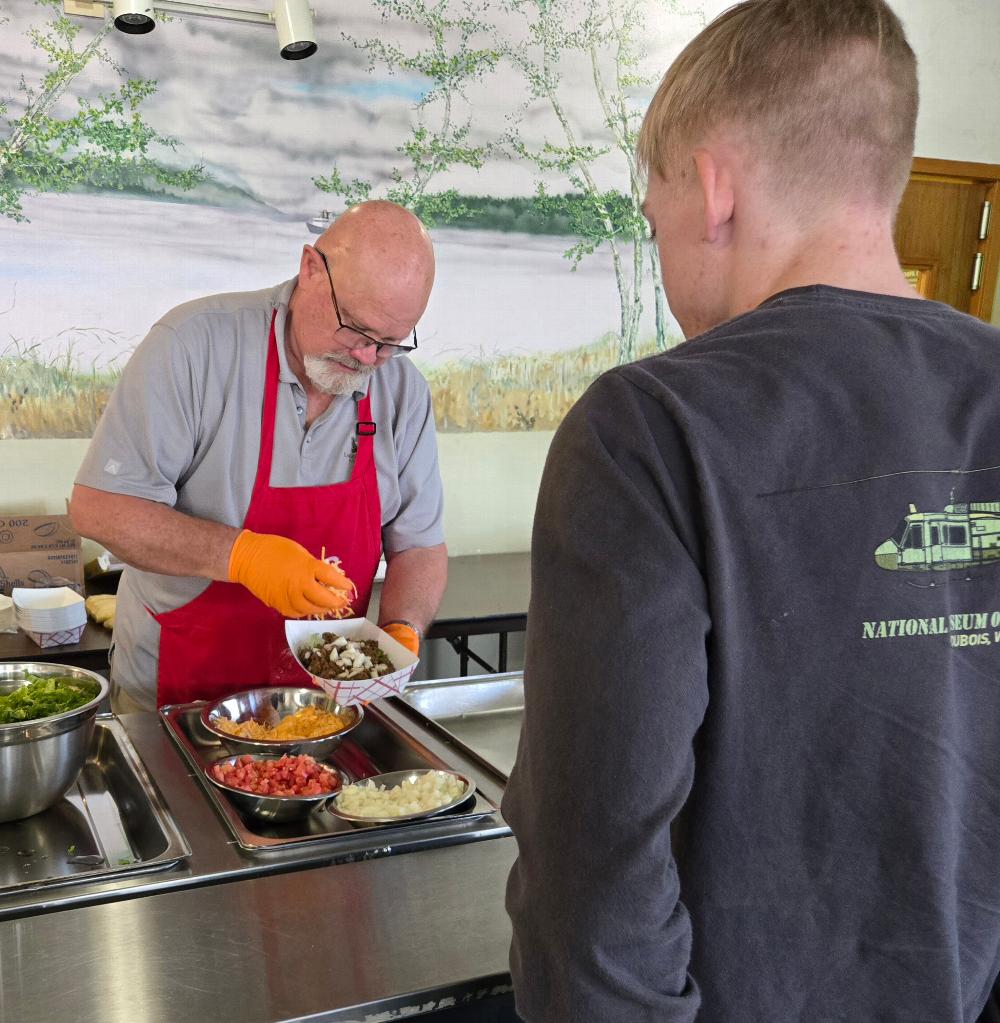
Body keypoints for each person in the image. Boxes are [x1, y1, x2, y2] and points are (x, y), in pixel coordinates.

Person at [503, 1, 1000, 1020]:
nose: (663, 246)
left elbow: (594, 877)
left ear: (715, 187)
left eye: (655, 212)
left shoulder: (647, 426)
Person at [70, 201, 447, 712]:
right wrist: (242, 556)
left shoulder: (401, 392)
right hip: (177, 700)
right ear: (311, 269)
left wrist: (403, 628)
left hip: (321, 709)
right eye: (356, 330)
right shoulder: (193, 346)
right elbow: (101, 509)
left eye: (390, 344)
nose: (366, 357)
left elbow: (420, 546)